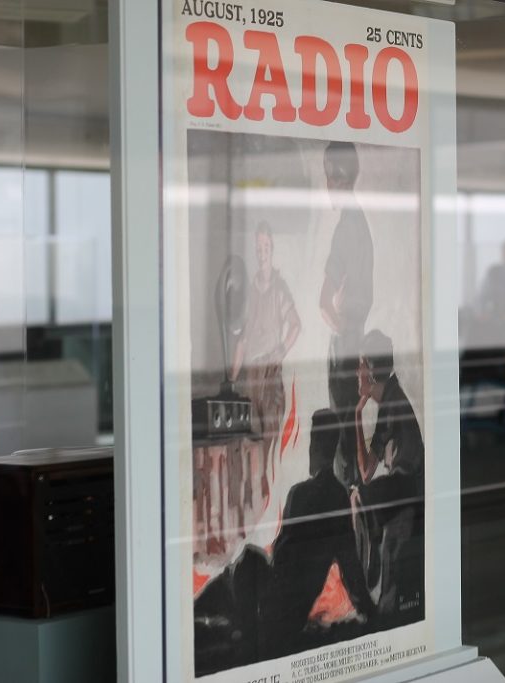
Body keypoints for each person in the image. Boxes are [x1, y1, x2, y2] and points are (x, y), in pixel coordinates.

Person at [193, 409, 374, 675]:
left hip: (273, 604)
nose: (311, 450)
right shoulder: (335, 498)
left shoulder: (302, 494)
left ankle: (202, 621)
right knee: (237, 572)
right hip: (281, 604)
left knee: (238, 571)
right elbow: (350, 568)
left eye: (313, 442)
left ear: (319, 446)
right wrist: (370, 610)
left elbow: (283, 556)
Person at [350, 330, 425, 624]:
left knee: (359, 496)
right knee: (361, 495)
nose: (357, 372)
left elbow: (367, 476)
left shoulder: (394, 401)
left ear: (370, 369)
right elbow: (368, 469)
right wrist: (357, 415)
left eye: (360, 365)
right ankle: (371, 550)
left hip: (408, 487)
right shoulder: (390, 399)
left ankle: (368, 558)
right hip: (402, 487)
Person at [318, 141, 374, 491]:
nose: (327, 185)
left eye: (329, 176)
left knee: (343, 455)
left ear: (340, 178)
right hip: (356, 346)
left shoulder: (346, 229)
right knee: (350, 450)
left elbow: (324, 303)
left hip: (345, 350)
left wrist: (342, 331)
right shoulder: (361, 224)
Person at [230, 222, 301, 497]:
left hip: (270, 373)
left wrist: (280, 350)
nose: (262, 253)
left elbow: (296, 324)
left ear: (272, 249)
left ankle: (269, 487)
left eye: (266, 247)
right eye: (258, 248)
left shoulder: (279, 289)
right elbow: (242, 341)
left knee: (270, 431)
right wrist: (232, 379)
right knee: (248, 434)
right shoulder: (249, 293)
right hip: (251, 373)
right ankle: (250, 489)